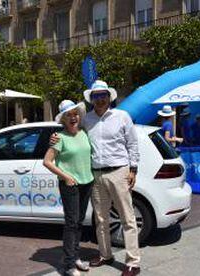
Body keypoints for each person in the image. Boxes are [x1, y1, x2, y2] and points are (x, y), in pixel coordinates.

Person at [51, 80, 141, 276]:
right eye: (95, 96)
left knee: (127, 218)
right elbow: (69, 128)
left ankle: (133, 262)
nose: (100, 99)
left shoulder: (122, 116)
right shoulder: (86, 120)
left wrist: (133, 169)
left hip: (119, 172)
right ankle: (105, 254)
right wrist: (54, 137)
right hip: (95, 175)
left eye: (103, 95)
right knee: (100, 219)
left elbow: (133, 145)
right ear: (91, 99)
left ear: (109, 97)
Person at [43, 100, 93, 276]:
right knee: (71, 224)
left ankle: (76, 256)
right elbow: (47, 162)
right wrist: (66, 176)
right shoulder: (59, 137)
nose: (73, 117)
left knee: (79, 222)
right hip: (70, 185)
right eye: (68, 115)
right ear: (63, 119)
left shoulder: (84, 133)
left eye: (75, 114)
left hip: (87, 182)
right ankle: (69, 264)